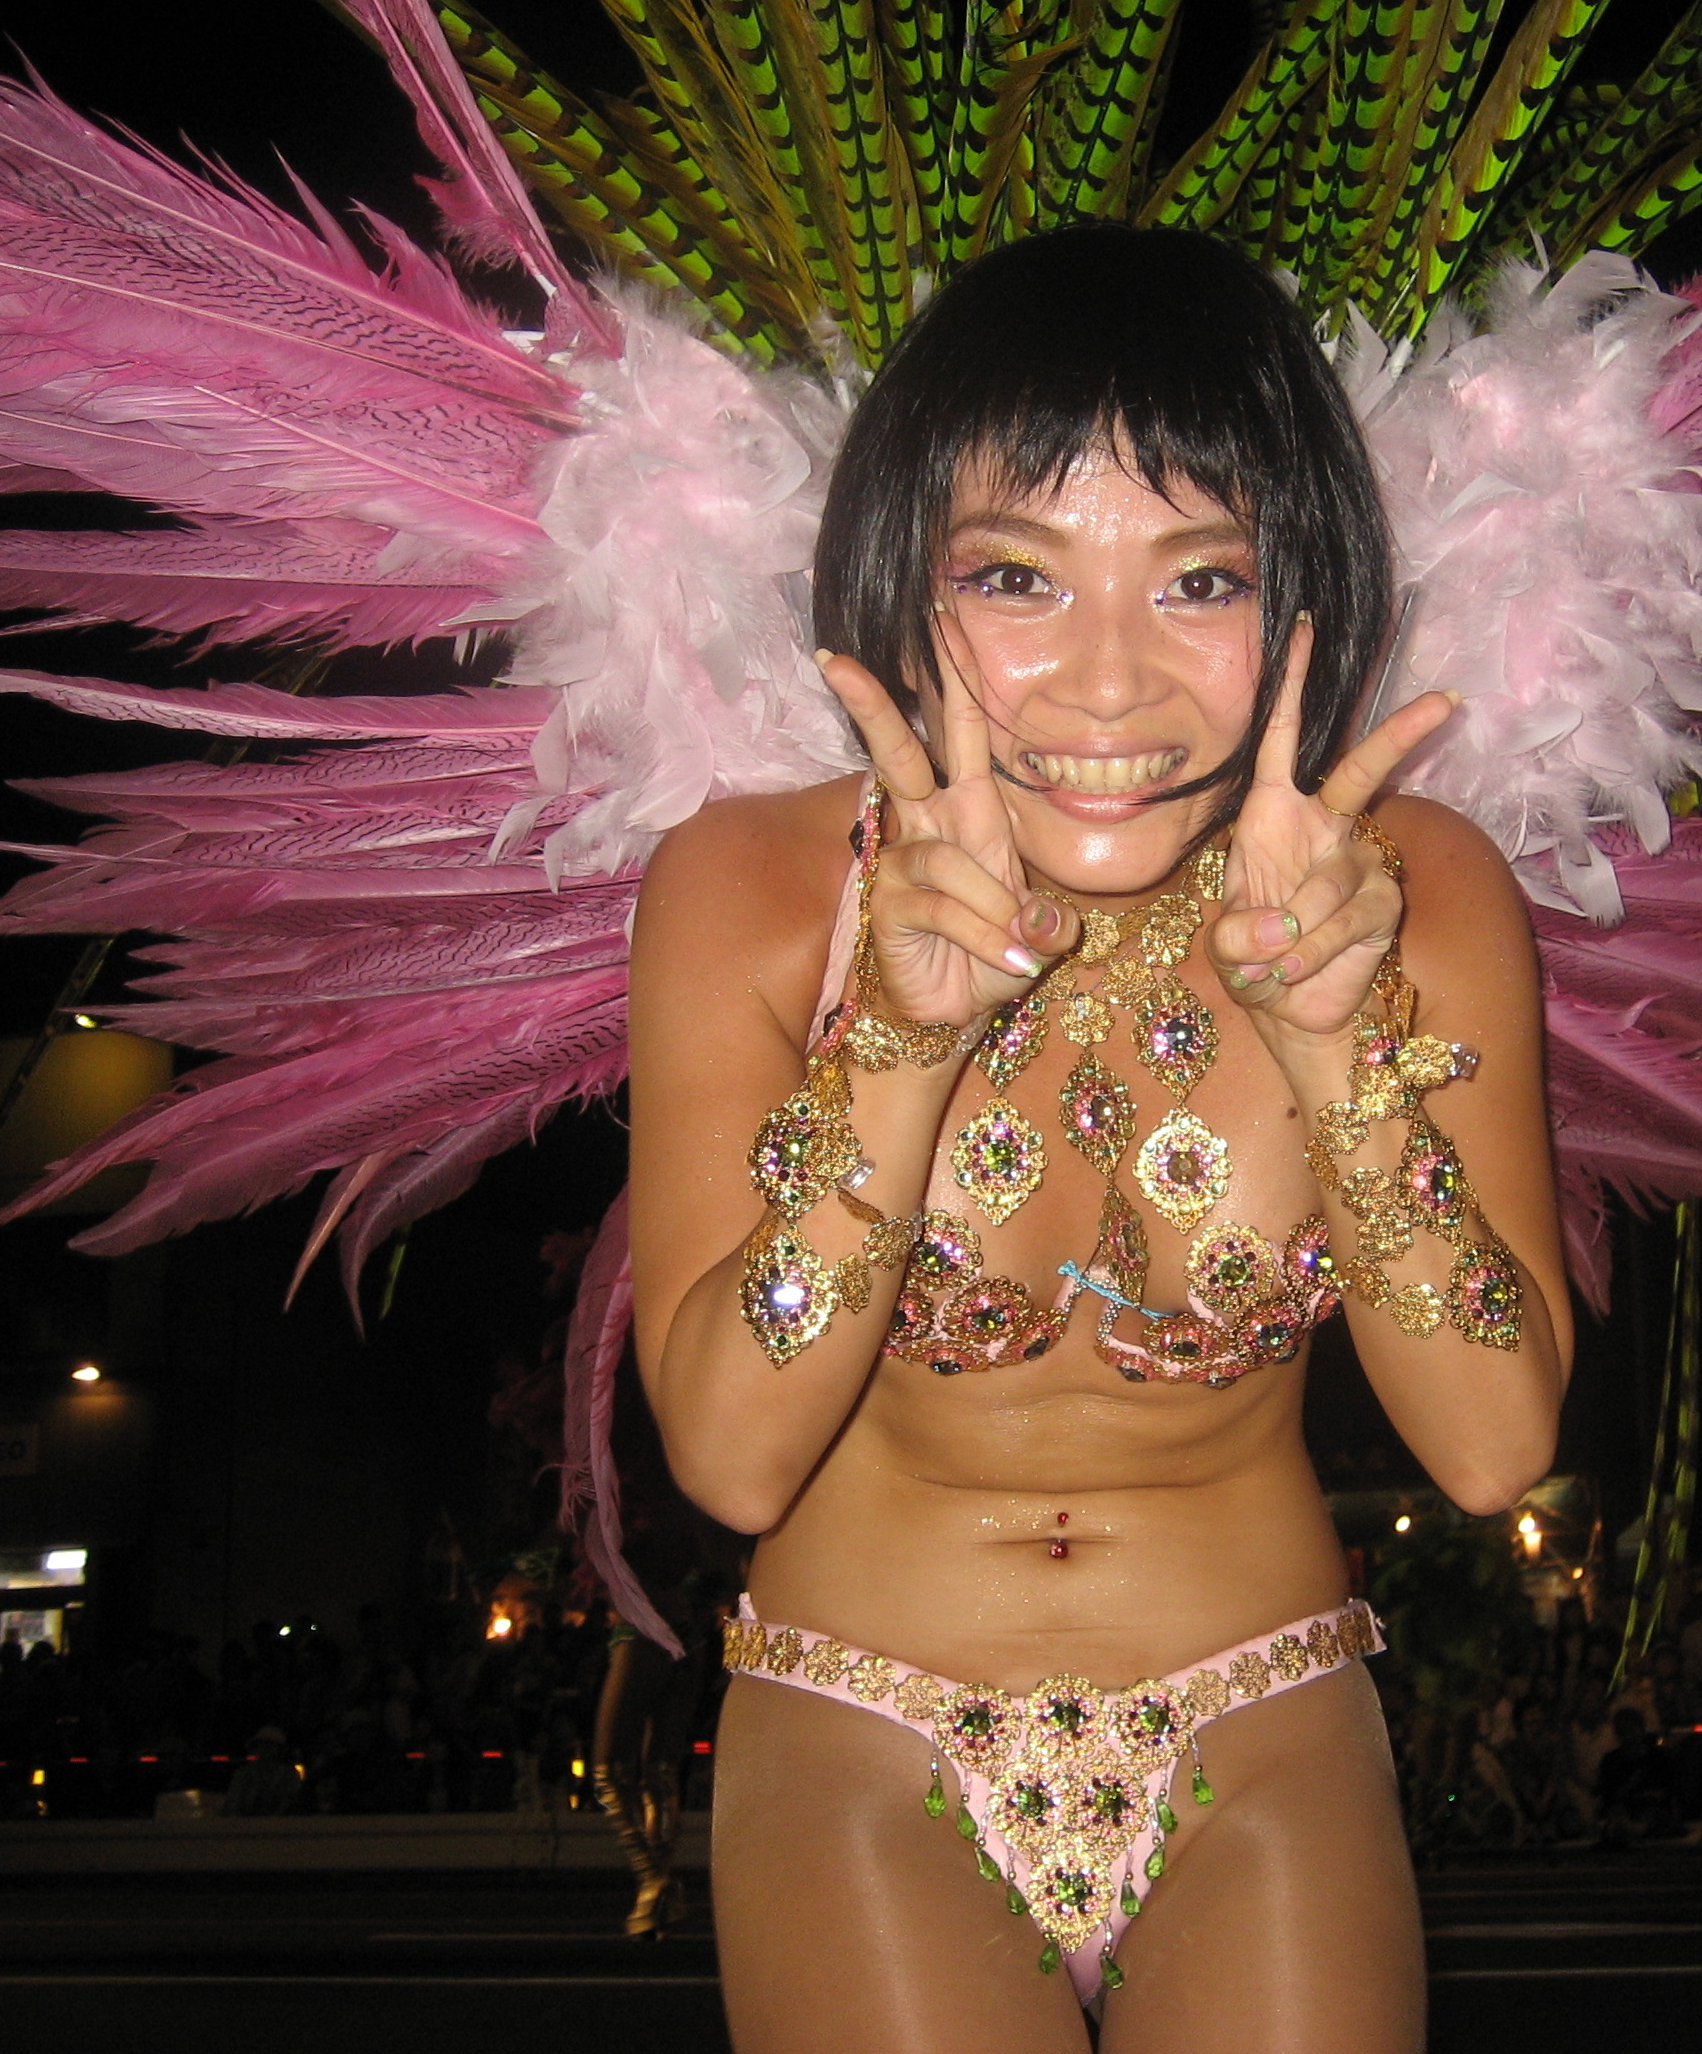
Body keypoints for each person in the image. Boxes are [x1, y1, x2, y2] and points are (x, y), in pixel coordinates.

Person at [627, 226, 1572, 2050]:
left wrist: (1336, 1045)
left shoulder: (1416, 893)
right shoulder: (751, 887)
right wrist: (898, 1037)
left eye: (1200, 579)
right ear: (899, 572)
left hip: (1266, 1734)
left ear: (1305, 593)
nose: (1112, 682)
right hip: (857, 1737)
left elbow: (1491, 1445)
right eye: (1018, 578)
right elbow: (731, 1459)